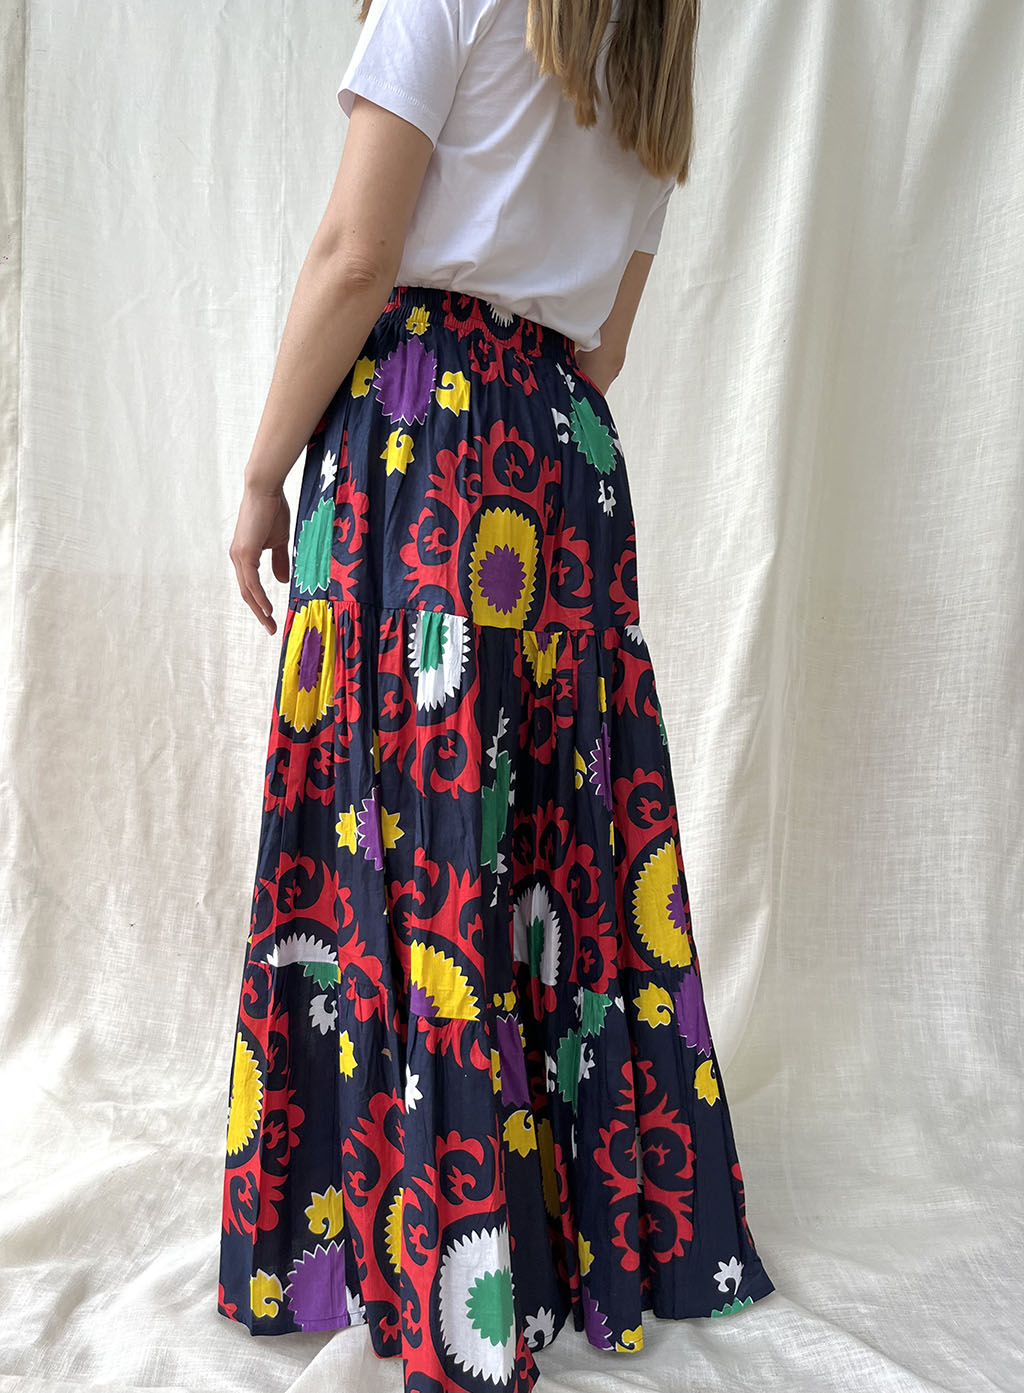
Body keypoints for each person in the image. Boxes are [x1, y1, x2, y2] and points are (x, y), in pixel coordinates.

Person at [218, 1, 776, 1389]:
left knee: (414, 838)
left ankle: (422, 1254)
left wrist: (260, 473)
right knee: (557, 844)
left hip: (424, 434)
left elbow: (357, 257)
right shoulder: (649, 40)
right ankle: (584, 1238)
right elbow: (604, 346)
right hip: (562, 455)